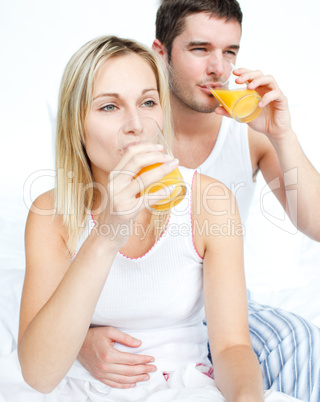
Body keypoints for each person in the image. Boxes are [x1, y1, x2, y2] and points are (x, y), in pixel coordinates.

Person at [12, 34, 301, 402]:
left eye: (148, 102)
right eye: (109, 107)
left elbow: (231, 347)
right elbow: (38, 374)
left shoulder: (209, 200)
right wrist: (105, 236)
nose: (135, 124)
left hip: (183, 386)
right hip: (79, 388)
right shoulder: (50, 214)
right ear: (76, 124)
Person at [76, 1, 320, 402]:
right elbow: (76, 229)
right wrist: (81, 338)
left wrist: (282, 134)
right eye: (200, 49)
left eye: (230, 52)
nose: (218, 68)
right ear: (160, 52)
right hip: (144, 305)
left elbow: (316, 225)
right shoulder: (127, 130)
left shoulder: (249, 133)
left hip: (219, 302)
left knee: (301, 340)